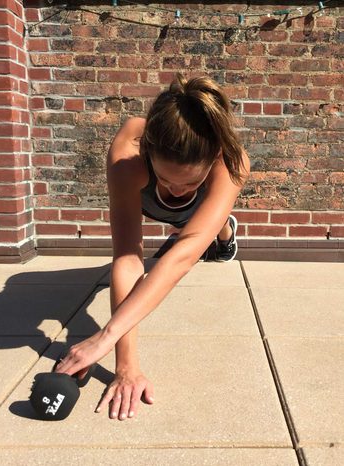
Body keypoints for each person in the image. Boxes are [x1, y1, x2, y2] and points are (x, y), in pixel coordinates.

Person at [54, 73, 250, 421]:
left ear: (215, 157)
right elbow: (129, 258)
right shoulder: (127, 157)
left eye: (189, 179)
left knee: (199, 227)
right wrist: (125, 365)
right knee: (157, 235)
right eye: (167, 178)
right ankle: (181, 202)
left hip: (199, 212)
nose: (177, 188)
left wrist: (105, 335)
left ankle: (223, 233)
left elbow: (182, 258)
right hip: (147, 200)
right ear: (147, 151)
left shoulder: (232, 163)